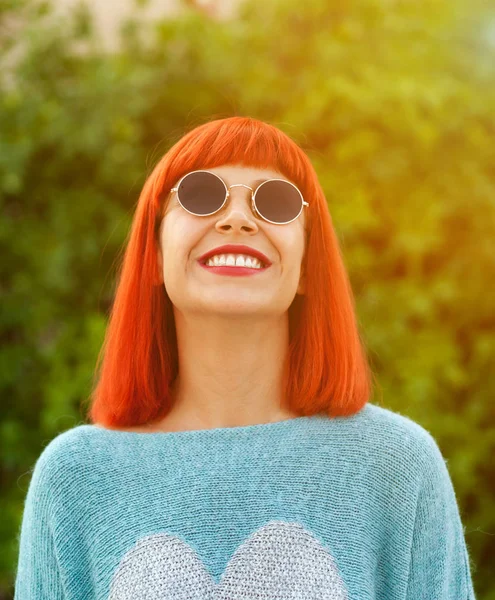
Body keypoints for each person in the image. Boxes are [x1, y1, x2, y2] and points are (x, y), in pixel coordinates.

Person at [14, 116, 476, 599]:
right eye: (199, 195)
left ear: (305, 265)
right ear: (153, 253)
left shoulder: (395, 466)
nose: (237, 219)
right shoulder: (76, 478)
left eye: (274, 202)